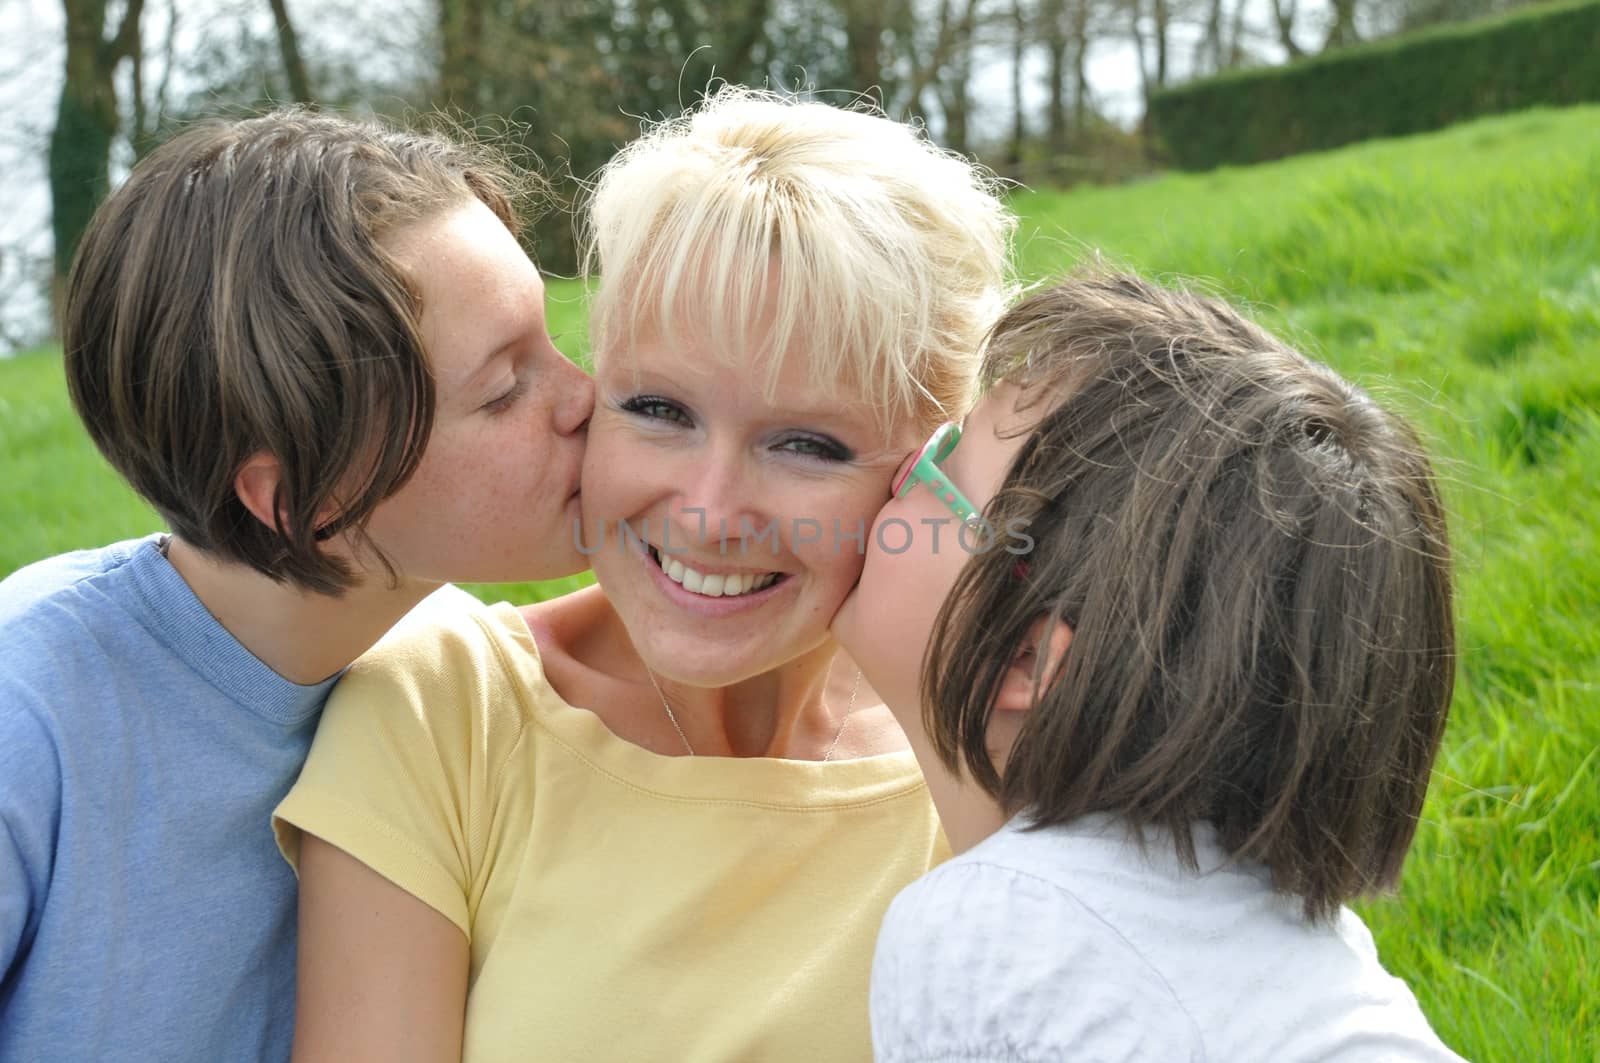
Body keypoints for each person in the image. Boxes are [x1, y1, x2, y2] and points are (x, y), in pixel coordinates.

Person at [272, 86, 1015, 1061]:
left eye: (806, 443)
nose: (711, 508)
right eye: (658, 410)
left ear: (934, 469)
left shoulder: (1000, 759)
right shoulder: (443, 706)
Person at [0, 109, 593, 1062]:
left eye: (552, 344)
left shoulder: (450, 672)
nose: (585, 399)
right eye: (505, 388)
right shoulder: (29, 713)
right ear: (304, 500)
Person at [833, 270, 1467, 1061]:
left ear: (1022, 657)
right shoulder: (1319, 953)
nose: (898, 474)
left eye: (944, 467)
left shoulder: (984, 932)